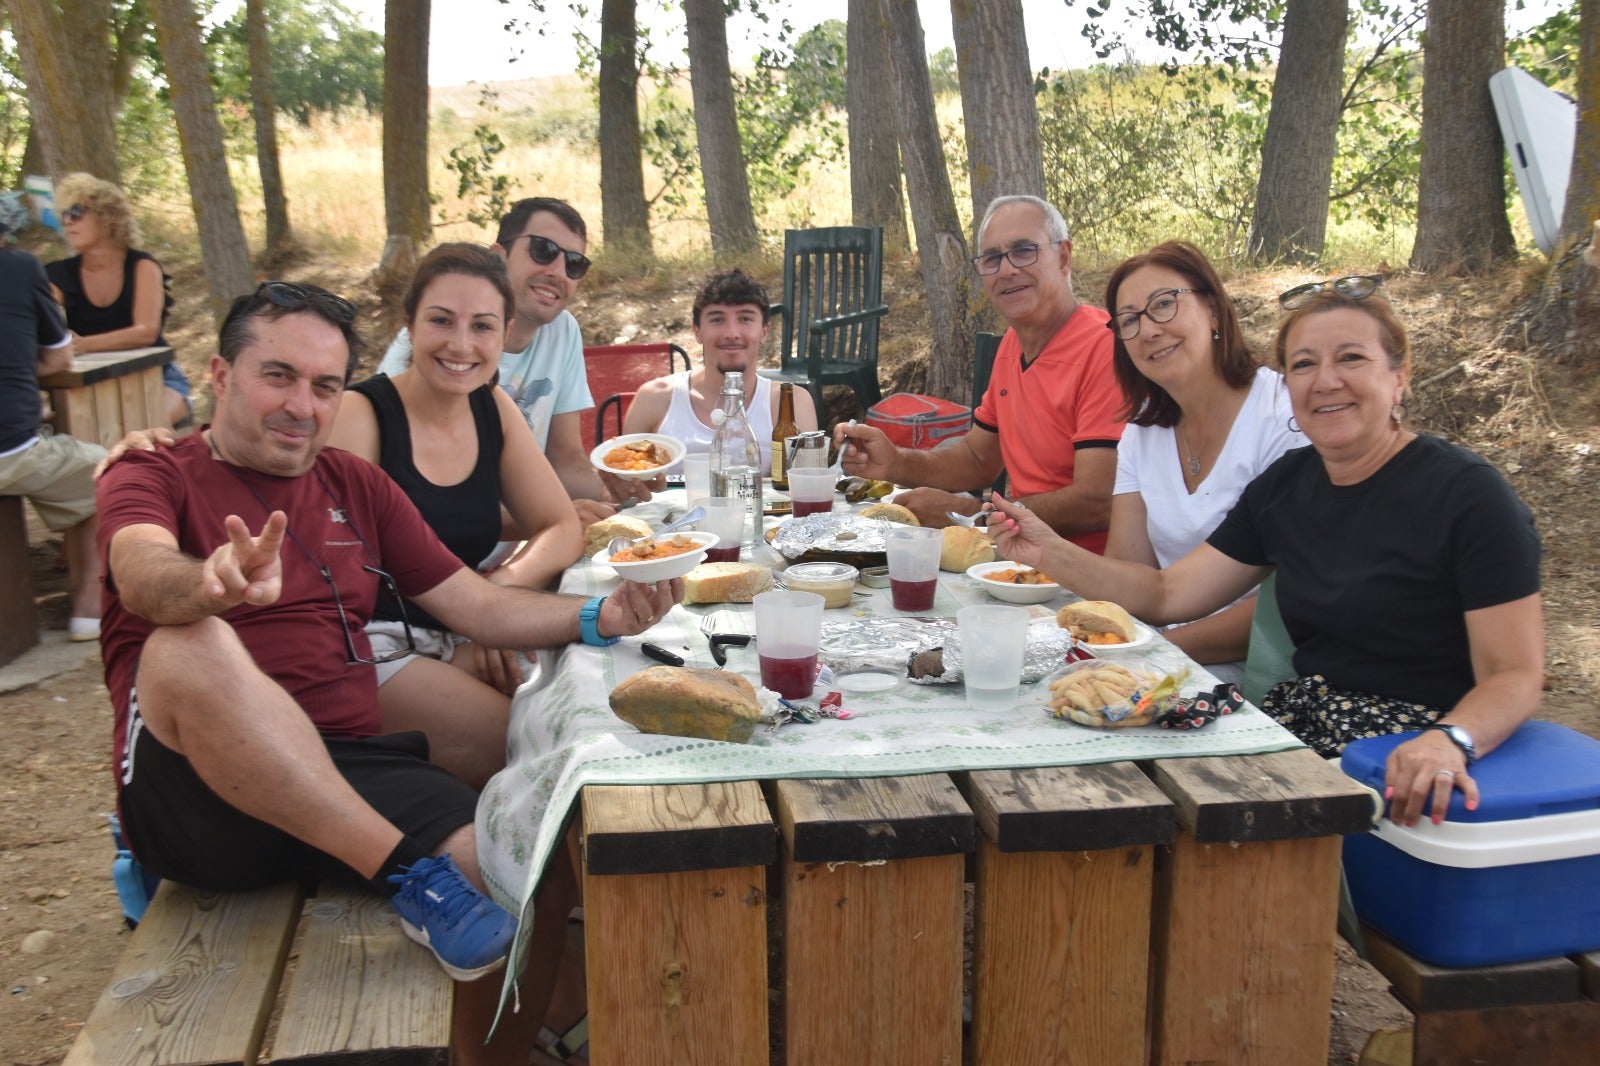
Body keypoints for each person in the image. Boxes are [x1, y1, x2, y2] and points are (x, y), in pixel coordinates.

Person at [95, 281, 681, 1062]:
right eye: (278, 375)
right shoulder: (153, 473)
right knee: (185, 640)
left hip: (347, 758)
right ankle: (409, 872)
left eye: (325, 385)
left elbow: (474, 603)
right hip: (200, 795)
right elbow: (139, 572)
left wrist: (597, 619)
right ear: (220, 374)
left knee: (509, 872)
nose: (301, 403)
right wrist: (206, 585)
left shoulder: (352, 485)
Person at [988, 277, 1543, 829]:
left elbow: (1515, 673)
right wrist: (1049, 550)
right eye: (1303, 365)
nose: (1325, 381)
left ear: (1400, 377)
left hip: (1412, 735)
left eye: (1350, 358)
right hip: (1301, 719)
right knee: (1101, 776)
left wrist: (1451, 741)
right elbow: (1168, 592)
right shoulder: (1287, 486)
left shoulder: (1468, 496)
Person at [330, 244, 582, 790]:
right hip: (363, 645)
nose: (462, 345)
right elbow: (330, 577)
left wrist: (499, 591)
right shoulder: (361, 415)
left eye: (483, 326)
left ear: (506, 332)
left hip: (460, 636)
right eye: (441, 321)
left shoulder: (493, 409)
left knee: (575, 706)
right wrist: (479, 615)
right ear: (410, 325)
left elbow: (561, 527)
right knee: (535, 754)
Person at [834, 195, 1125, 550]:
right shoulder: (1012, 347)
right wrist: (895, 461)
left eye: (1023, 251)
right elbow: (977, 459)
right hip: (1022, 565)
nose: (1006, 269)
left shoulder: (1106, 348)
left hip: (1091, 580)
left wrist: (974, 514)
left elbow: (1098, 502)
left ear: (1064, 257)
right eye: (991, 258)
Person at [1101, 241, 1307, 684]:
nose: (1149, 330)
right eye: (1129, 320)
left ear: (1213, 310)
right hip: (1160, 655)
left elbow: (1293, 600)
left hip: (1262, 671)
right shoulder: (1140, 434)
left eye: (1164, 305)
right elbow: (1129, 573)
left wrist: (1155, 651)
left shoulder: (1284, 415)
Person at [378, 197, 635, 524]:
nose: (557, 272)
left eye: (574, 263)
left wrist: (612, 492)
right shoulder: (432, 351)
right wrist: (551, 519)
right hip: (439, 555)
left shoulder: (562, 330)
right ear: (498, 256)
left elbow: (564, 458)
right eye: (543, 250)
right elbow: (406, 495)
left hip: (527, 544)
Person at [0, 225, 104, 639]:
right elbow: (59, 357)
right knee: (107, 471)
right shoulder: (21, 267)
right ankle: (89, 612)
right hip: (12, 450)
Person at [623, 268, 818, 471]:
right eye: (717, 319)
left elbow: (809, 493)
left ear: (764, 331)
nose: (731, 333)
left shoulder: (791, 403)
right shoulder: (654, 399)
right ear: (697, 331)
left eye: (745, 319)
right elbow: (623, 487)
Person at [45, 173, 194, 429]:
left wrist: (83, 345)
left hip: (155, 377)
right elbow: (35, 318)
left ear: (108, 216)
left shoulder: (143, 266)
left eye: (77, 211)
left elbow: (145, 332)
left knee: (142, 428)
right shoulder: (57, 274)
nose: (68, 222)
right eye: (64, 215)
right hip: (88, 385)